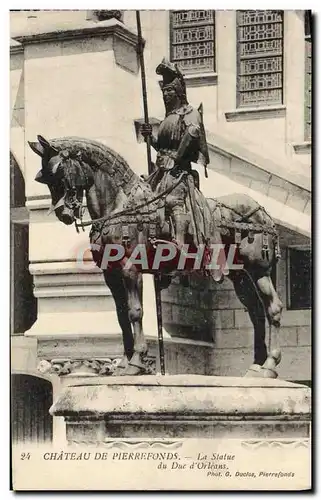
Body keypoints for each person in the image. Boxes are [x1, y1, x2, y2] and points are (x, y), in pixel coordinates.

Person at [141, 58, 209, 192]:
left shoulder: (190, 112)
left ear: (178, 91)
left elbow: (193, 132)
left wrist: (176, 158)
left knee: (174, 205)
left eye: (169, 90)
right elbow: (162, 148)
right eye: (164, 91)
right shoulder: (168, 118)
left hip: (179, 174)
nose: (165, 94)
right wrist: (149, 137)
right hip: (161, 172)